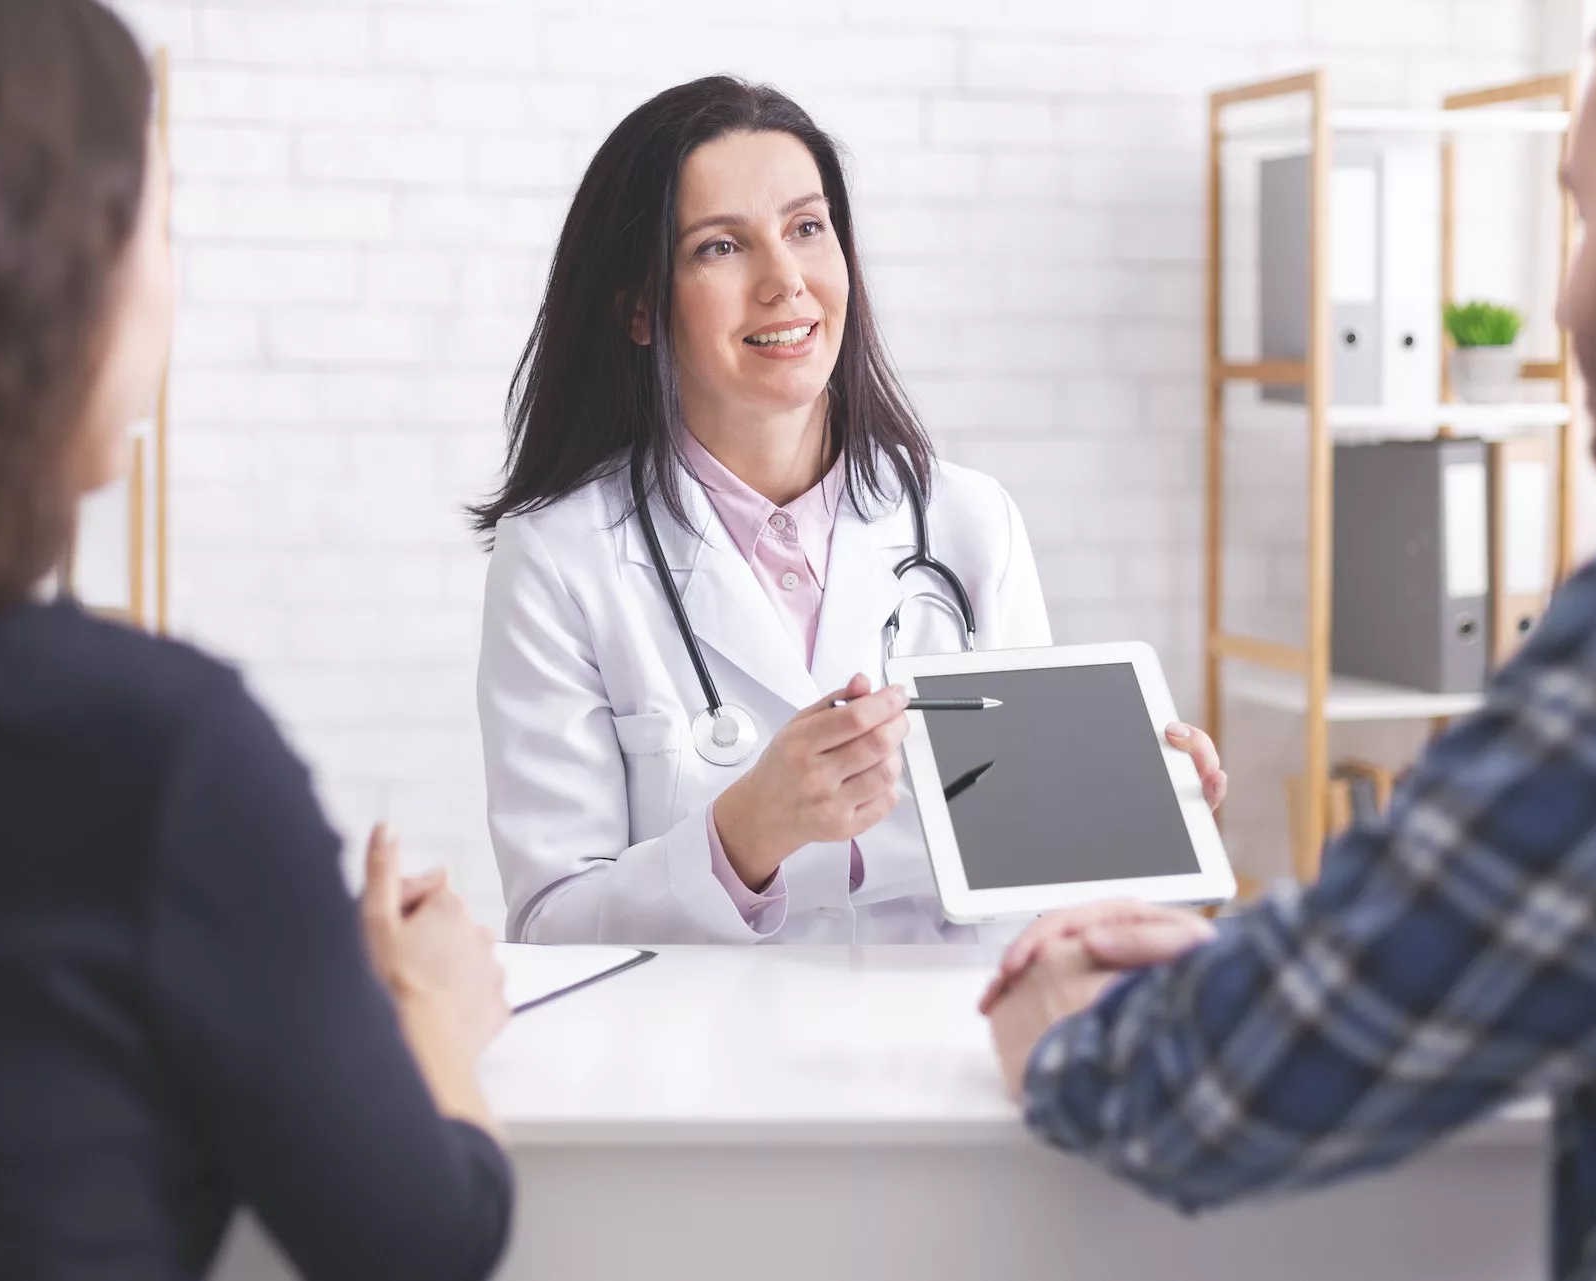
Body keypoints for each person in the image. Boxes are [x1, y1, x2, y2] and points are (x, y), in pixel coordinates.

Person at [982, 2, 1596, 1275]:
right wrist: (1274, 948)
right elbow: (1500, 930)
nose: (1559, 292)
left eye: (1581, 213)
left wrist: (1070, 1027)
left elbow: (1220, 1087)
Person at [0, 2, 512, 1278]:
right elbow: (422, 1241)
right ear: (48, 286)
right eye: (153, 225)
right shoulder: (156, 758)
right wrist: (429, 1015)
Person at [472, 76, 1229, 946]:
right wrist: (746, 832)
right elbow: (550, 923)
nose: (785, 280)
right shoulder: (560, 557)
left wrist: (1131, 817)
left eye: (806, 228)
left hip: (944, 1054)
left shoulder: (970, 523)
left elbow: (1042, 897)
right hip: (701, 1068)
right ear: (640, 307)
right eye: (721, 247)